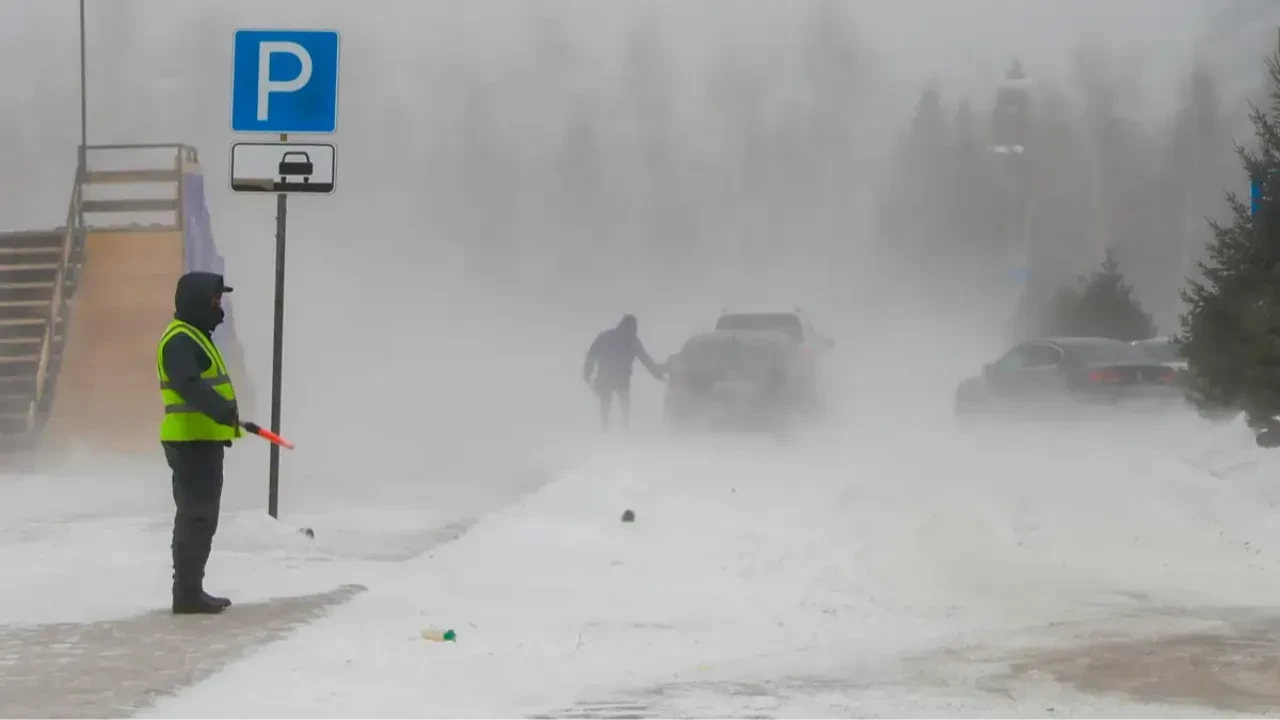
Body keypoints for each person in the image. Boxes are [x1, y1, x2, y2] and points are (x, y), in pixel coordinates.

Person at [156, 271, 242, 614]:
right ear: (197, 302)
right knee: (195, 517)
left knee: (201, 517)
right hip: (191, 442)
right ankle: (187, 593)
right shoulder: (180, 340)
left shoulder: (194, 336)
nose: (219, 309)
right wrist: (222, 411)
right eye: (214, 301)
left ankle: (191, 589)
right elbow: (188, 385)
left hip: (200, 440)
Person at [583, 314, 665, 429]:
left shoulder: (608, 337)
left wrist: (587, 372)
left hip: (608, 376)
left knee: (607, 403)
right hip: (620, 378)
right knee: (622, 405)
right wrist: (657, 374)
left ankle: (608, 427)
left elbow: (592, 355)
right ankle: (620, 427)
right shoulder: (632, 341)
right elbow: (645, 359)